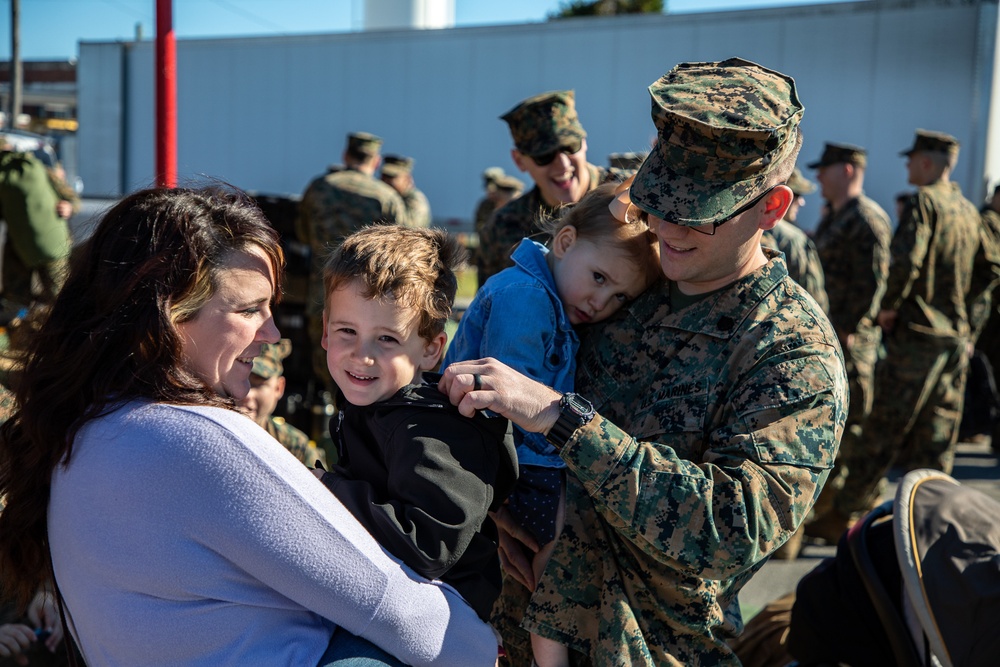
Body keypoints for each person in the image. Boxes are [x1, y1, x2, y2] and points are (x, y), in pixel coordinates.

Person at [440, 57, 848, 666]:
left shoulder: (789, 351)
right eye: (660, 199)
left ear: (772, 208)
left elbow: (732, 526)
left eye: (700, 209)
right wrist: (499, 511)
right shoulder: (626, 281)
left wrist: (562, 420)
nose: (668, 225)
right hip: (510, 629)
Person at [0, 185, 499, 666]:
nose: (272, 333)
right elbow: (399, 610)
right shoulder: (200, 439)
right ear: (169, 314)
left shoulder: (87, 430)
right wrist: (480, 648)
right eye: (249, 310)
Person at [442, 180, 660, 666]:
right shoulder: (527, 298)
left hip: (513, 453)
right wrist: (572, 457)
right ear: (564, 242)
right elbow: (512, 403)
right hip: (507, 455)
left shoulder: (547, 294)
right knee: (559, 547)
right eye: (600, 278)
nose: (602, 303)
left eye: (620, 297)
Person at [314, 224, 517, 624]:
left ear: (430, 349)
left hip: (442, 619)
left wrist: (323, 490)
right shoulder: (374, 406)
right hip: (390, 600)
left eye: (386, 339)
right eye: (347, 332)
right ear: (324, 330)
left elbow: (428, 545)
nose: (361, 355)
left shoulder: (431, 430)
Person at [842, 130, 982, 521]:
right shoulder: (969, 211)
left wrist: (887, 306)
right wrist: (968, 317)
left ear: (926, 163)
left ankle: (847, 512)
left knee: (883, 430)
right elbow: (990, 269)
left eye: (911, 160)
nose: (906, 167)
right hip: (953, 339)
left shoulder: (924, 202)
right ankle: (932, 521)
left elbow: (905, 262)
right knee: (936, 439)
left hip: (917, 336)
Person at [798, 142, 893, 544]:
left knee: (851, 424)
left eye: (827, 169)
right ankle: (831, 508)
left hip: (851, 341)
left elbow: (875, 281)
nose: (818, 176)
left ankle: (847, 513)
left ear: (849, 170)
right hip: (832, 334)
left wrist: (851, 327)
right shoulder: (836, 216)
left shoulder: (868, 219)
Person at [296, 131, 409, 393]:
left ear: (346, 155)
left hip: (321, 293)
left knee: (327, 367)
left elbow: (302, 232)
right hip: (368, 303)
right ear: (376, 161)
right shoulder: (386, 196)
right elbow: (402, 253)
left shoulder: (319, 187)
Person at [478, 90, 606, 285]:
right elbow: (491, 308)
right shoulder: (502, 228)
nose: (562, 164)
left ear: (584, 141)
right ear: (519, 161)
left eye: (570, 145)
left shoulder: (631, 198)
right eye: (544, 155)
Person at [0, 140, 72, 320]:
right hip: (52, 246)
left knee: (14, 302)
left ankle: (11, 338)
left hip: (19, 246)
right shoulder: (37, 166)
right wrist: (69, 204)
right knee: (63, 301)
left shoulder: (6, 177)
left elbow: (70, 199)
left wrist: (69, 205)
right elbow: (70, 196)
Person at [238, 338, 327, 468]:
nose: (246, 394)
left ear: (279, 388)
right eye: (240, 380)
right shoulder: (206, 434)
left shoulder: (296, 449)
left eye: (258, 384)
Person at [759, 166, 829, 314]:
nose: (802, 202)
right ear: (779, 197)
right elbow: (814, 297)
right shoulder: (794, 238)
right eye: (796, 194)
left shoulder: (743, 227)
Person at [380, 154, 432, 228]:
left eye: (391, 177)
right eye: (383, 176)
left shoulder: (415, 199)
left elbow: (408, 229)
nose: (385, 180)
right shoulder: (383, 195)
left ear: (406, 178)